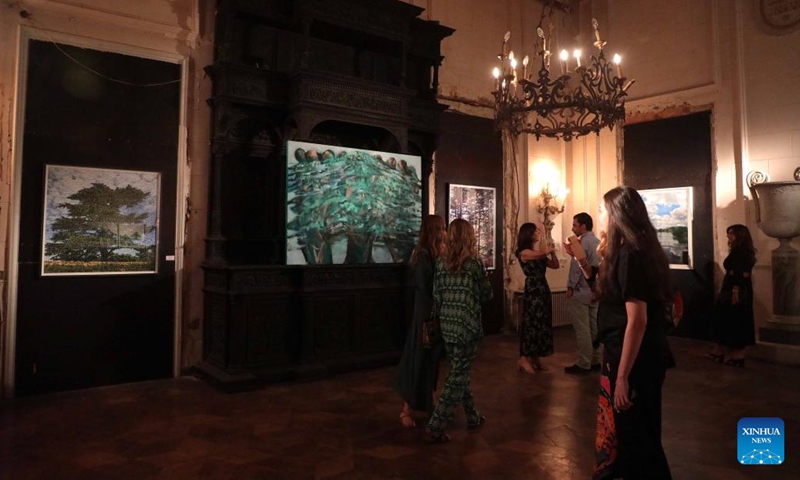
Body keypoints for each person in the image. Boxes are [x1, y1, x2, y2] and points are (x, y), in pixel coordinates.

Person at [570, 186, 674, 480]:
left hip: (636, 359)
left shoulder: (631, 254)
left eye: (602, 210)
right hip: (626, 353)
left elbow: (637, 320)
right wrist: (581, 260)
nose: (599, 215)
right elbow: (607, 293)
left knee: (639, 438)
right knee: (632, 435)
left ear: (616, 215)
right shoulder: (629, 251)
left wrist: (623, 377)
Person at [425, 219, 493, 443]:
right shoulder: (474, 263)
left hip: (447, 325)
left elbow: (436, 295)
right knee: (457, 376)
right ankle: (436, 425)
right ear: (469, 236)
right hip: (467, 326)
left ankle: (472, 416)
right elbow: (487, 294)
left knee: (458, 370)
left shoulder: (441, 262)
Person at [395, 215, 447, 427]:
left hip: (432, 314)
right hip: (426, 315)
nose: (445, 232)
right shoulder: (424, 256)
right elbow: (427, 287)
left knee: (431, 360)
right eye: (442, 228)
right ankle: (406, 409)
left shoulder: (432, 254)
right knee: (419, 358)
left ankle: (429, 402)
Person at [707, 224, 757, 367]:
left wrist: (735, 291)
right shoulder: (741, 250)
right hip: (735, 288)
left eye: (731, 234)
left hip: (735, 289)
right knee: (730, 318)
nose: (728, 236)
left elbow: (739, 272)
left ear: (739, 235)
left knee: (734, 319)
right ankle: (726, 352)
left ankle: (735, 355)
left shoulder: (740, 252)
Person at [515, 222, 560, 373]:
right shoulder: (523, 252)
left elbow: (555, 265)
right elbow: (542, 253)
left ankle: (536, 356)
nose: (537, 234)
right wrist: (545, 238)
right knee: (532, 322)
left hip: (542, 288)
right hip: (533, 289)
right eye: (535, 231)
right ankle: (524, 358)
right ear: (528, 234)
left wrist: (553, 253)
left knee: (542, 322)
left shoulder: (538, 252)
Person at [563, 212, 602, 374]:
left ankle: (584, 362)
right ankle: (596, 360)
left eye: (575, 225)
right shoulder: (599, 242)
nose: (572, 228)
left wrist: (570, 287)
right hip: (595, 291)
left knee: (582, 329)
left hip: (580, 292)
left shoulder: (581, 243)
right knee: (594, 327)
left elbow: (577, 269)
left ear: (583, 226)